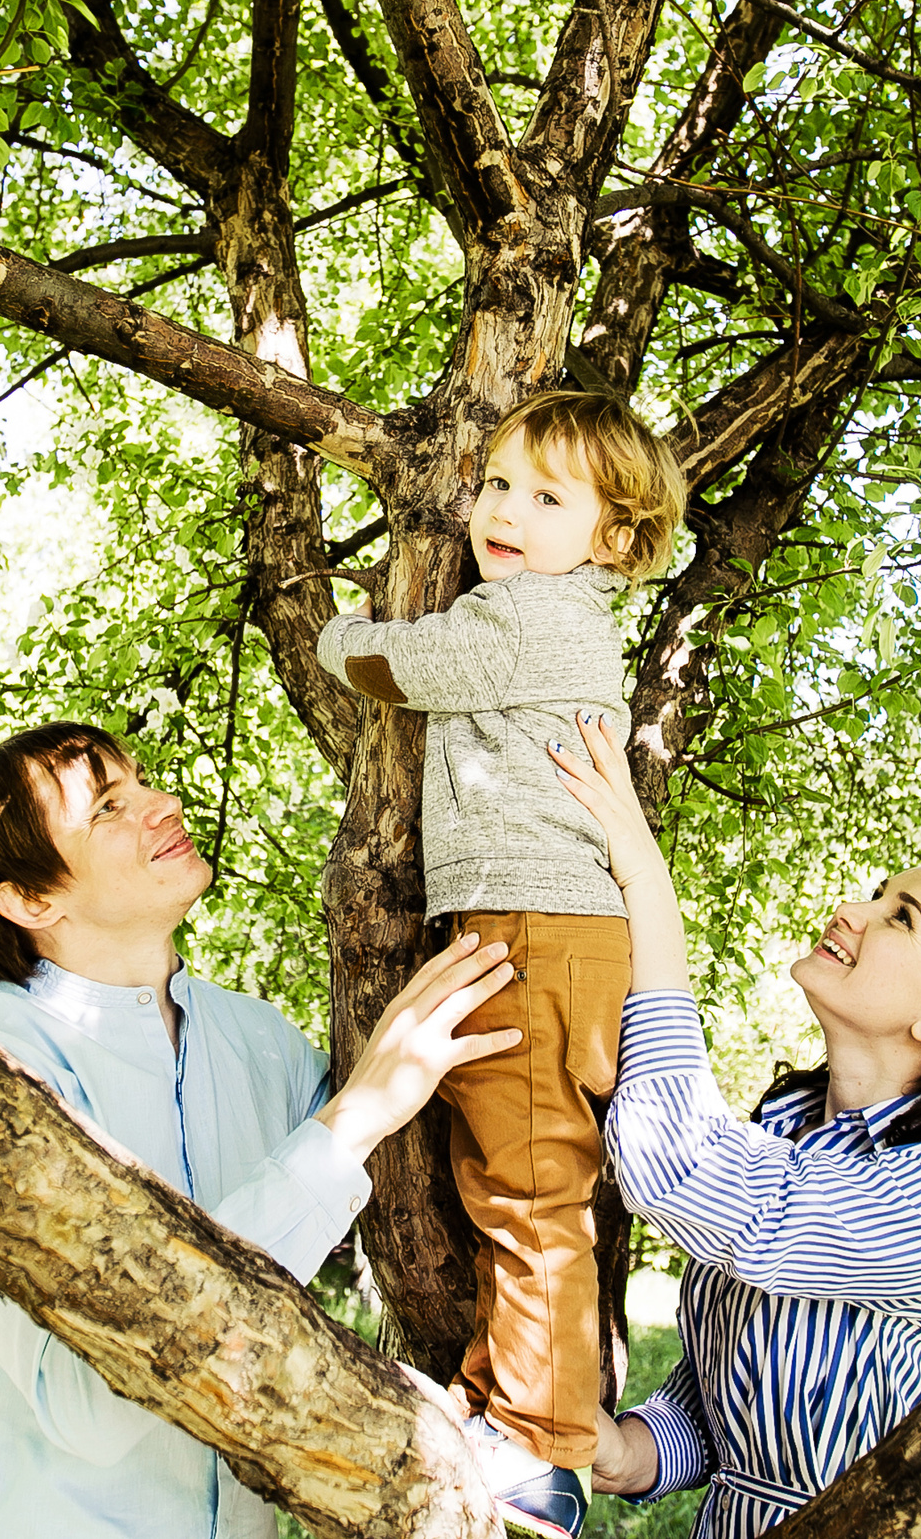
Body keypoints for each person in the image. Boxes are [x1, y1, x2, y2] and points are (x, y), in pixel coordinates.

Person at [0, 721, 522, 1539]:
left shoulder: (256, 1039)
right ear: (31, 898)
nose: (164, 803)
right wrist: (353, 1116)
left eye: (144, 781)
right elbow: (95, 1400)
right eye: (110, 806)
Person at [546, 712, 921, 1539]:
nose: (851, 910)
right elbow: (733, 1382)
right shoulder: (789, 1126)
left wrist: (646, 887)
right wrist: (642, 1448)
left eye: (899, 916)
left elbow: (677, 1164)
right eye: (878, 894)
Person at [314, 391, 687, 1538]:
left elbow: (397, 663)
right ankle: (512, 1413)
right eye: (497, 484)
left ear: (613, 541)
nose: (502, 511)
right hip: (540, 929)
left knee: (530, 1193)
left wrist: (336, 630)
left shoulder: (527, 619)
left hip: (534, 928)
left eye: (545, 495)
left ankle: (539, 1446)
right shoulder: (549, 608)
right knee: (514, 1182)